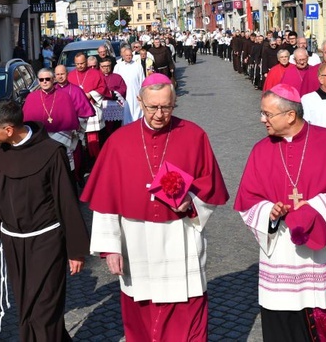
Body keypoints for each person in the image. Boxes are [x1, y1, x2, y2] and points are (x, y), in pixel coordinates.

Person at [80, 73, 229, 341]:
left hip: (180, 236)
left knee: (188, 310)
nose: (160, 114)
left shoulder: (194, 135)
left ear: (174, 103)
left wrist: (192, 202)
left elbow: (212, 186)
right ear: (140, 101)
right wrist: (111, 248)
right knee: (141, 314)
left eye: (167, 107)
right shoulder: (118, 142)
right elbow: (105, 201)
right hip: (136, 241)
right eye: (153, 107)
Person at [235, 84, 326, 341]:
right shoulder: (260, 150)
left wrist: (314, 208)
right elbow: (248, 200)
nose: (262, 119)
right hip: (283, 253)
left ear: (290, 115)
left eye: (268, 114)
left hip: (325, 251)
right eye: (262, 113)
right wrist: (269, 212)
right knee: (285, 319)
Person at [0, 100, 89, 341]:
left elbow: (66, 201)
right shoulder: (1, 151)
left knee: (45, 310)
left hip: (47, 241)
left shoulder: (51, 151)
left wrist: (76, 250)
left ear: (9, 130)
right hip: (15, 242)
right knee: (27, 309)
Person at [68, 52, 109, 166]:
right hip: (77, 112)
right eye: (77, 64)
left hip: (92, 109)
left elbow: (103, 88)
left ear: (86, 62)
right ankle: (83, 163)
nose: (80, 66)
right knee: (80, 140)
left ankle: (96, 162)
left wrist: (90, 95)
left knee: (94, 139)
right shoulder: (70, 75)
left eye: (82, 63)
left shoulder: (95, 73)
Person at [114, 47, 145, 125]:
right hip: (123, 95)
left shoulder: (138, 66)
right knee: (125, 113)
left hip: (135, 94)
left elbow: (142, 80)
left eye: (130, 55)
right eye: (127, 55)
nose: (128, 57)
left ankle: (137, 125)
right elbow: (115, 81)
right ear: (123, 56)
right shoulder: (118, 66)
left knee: (136, 112)